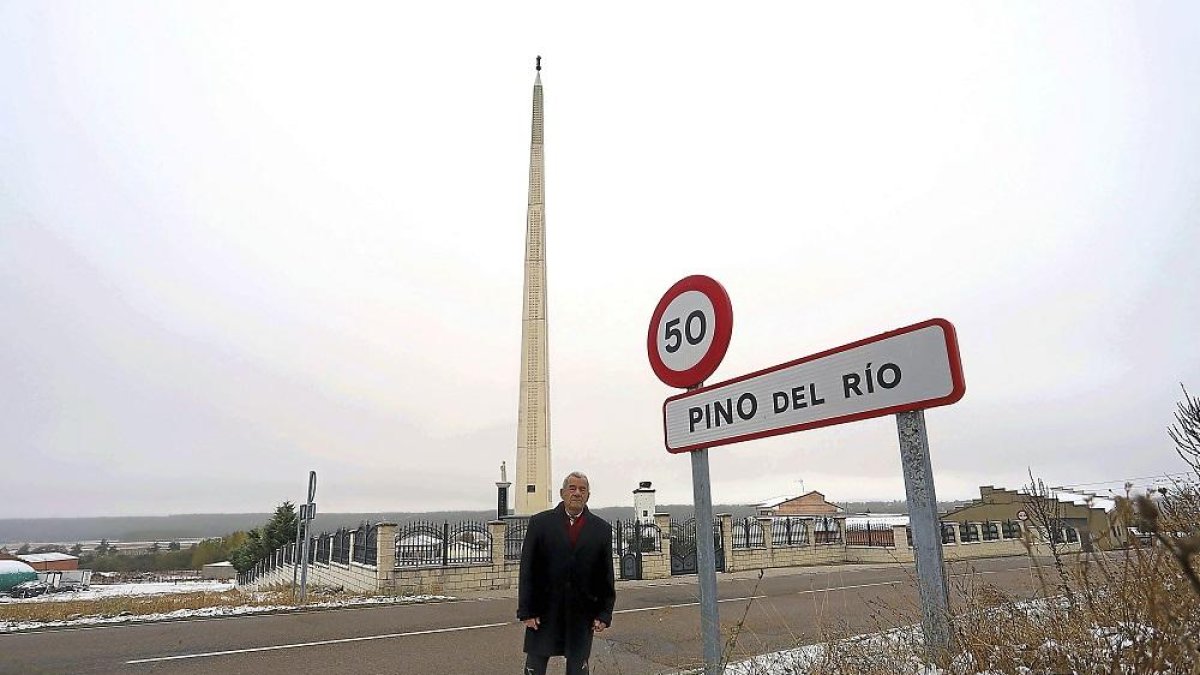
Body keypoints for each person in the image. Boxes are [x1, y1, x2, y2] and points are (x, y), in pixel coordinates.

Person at [517, 471, 616, 675]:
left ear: (588, 495)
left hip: (581, 613)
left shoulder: (601, 529)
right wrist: (527, 611)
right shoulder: (540, 524)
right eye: (572, 488)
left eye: (582, 489)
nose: (577, 493)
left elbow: (605, 575)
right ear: (562, 493)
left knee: (578, 669)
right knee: (534, 668)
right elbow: (528, 570)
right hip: (544, 611)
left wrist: (604, 614)